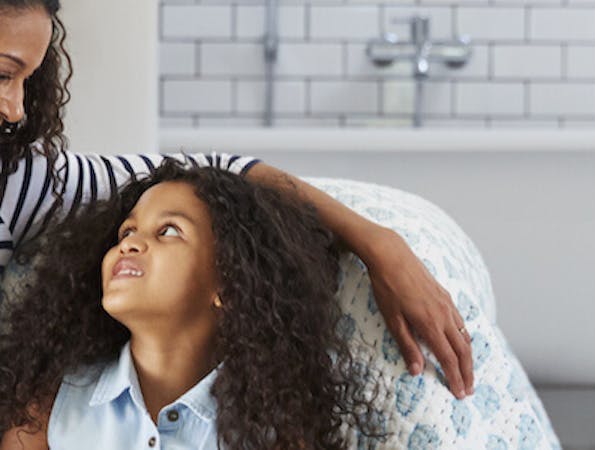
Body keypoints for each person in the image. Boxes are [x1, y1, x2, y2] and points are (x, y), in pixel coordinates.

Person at [0, 0, 474, 398]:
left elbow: (217, 173)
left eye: (27, 81)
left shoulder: (24, 184)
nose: (17, 110)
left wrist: (378, 244)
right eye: (4, 74)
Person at [0, 160, 385, 449]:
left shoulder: (275, 433)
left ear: (230, 283)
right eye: (127, 231)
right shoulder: (48, 408)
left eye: (168, 231)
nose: (129, 244)